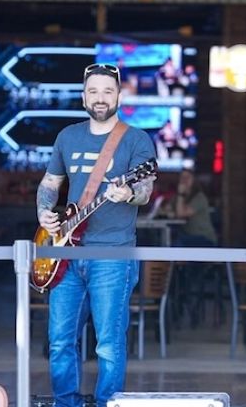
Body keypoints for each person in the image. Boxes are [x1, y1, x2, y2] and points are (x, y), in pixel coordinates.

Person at [36, 63, 156, 407]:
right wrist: (44, 213)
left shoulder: (136, 139)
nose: (100, 98)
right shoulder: (67, 137)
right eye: (93, 91)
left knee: (109, 343)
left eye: (107, 91)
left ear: (119, 95)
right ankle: (66, 403)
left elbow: (145, 188)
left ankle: (108, 404)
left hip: (113, 256)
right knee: (59, 340)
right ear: (83, 96)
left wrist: (128, 194)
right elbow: (50, 184)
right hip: (65, 255)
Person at [164, 168, 216, 247]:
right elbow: (165, 209)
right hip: (187, 236)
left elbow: (181, 214)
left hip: (204, 237)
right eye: (182, 177)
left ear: (194, 180)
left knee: (176, 244)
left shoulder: (199, 197)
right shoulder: (177, 197)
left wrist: (181, 194)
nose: (184, 180)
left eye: (187, 177)